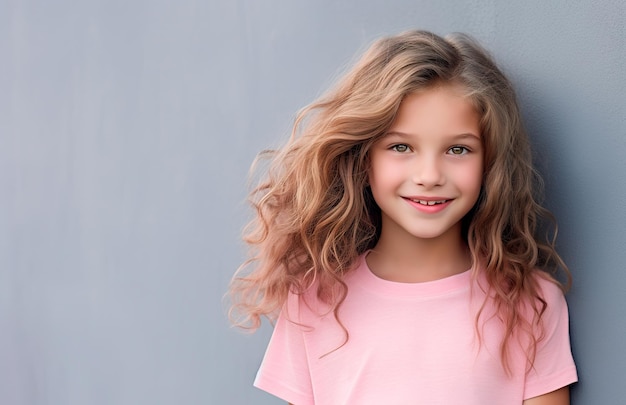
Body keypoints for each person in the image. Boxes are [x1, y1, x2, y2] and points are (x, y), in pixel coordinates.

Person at [229, 30, 578, 404]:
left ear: (490, 163)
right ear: (364, 158)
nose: (429, 175)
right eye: (401, 147)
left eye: (458, 149)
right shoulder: (312, 300)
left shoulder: (531, 303)